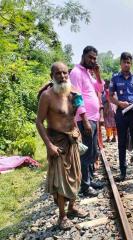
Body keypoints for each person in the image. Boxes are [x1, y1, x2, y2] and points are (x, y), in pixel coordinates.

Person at [36, 62, 88, 229]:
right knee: (60, 181)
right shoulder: (47, 96)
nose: (62, 76)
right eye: (58, 73)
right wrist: (49, 145)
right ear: (52, 75)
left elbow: (72, 117)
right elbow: (39, 122)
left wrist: (77, 131)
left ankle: (72, 207)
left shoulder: (72, 94)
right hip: (57, 144)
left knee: (76, 176)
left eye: (65, 73)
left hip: (71, 141)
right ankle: (62, 216)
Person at [70, 46, 104, 197]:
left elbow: (100, 88)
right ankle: (85, 186)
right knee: (85, 154)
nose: (93, 60)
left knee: (92, 151)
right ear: (83, 56)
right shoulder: (76, 72)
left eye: (95, 58)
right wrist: (84, 120)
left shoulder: (88, 73)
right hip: (85, 119)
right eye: (90, 57)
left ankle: (89, 180)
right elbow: (76, 98)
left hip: (93, 118)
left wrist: (97, 74)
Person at [109, 52, 133, 182]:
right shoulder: (115, 78)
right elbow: (110, 96)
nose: (126, 65)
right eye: (124, 62)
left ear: (131, 63)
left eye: (128, 62)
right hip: (121, 113)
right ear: (120, 63)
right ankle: (123, 172)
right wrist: (119, 103)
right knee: (122, 143)